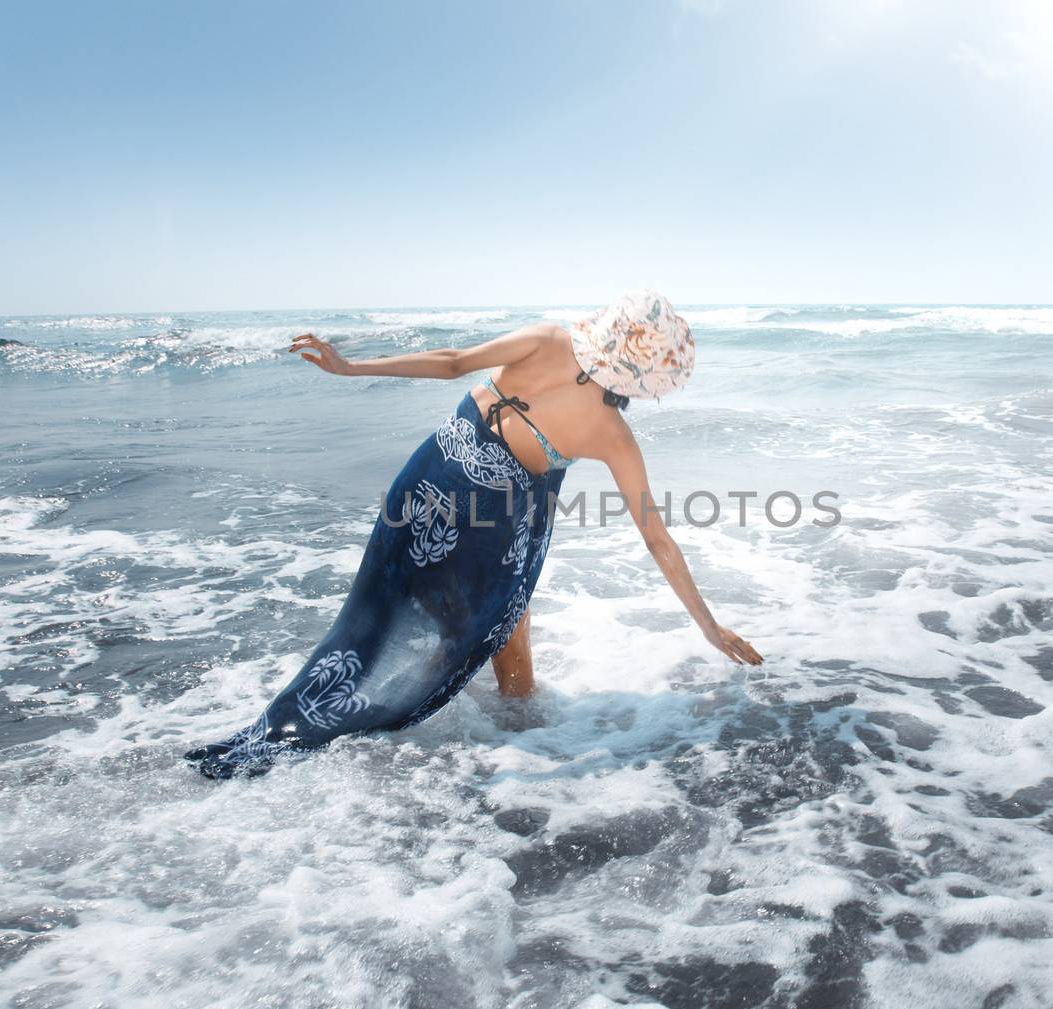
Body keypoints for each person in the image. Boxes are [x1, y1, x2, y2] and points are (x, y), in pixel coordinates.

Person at [183, 289, 763, 778]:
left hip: (431, 477)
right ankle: (516, 731)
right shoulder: (612, 433)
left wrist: (350, 368)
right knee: (493, 619)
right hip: (499, 522)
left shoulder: (547, 340)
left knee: (377, 607)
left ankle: (306, 727)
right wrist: (708, 627)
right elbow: (655, 535)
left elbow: (453, 360)